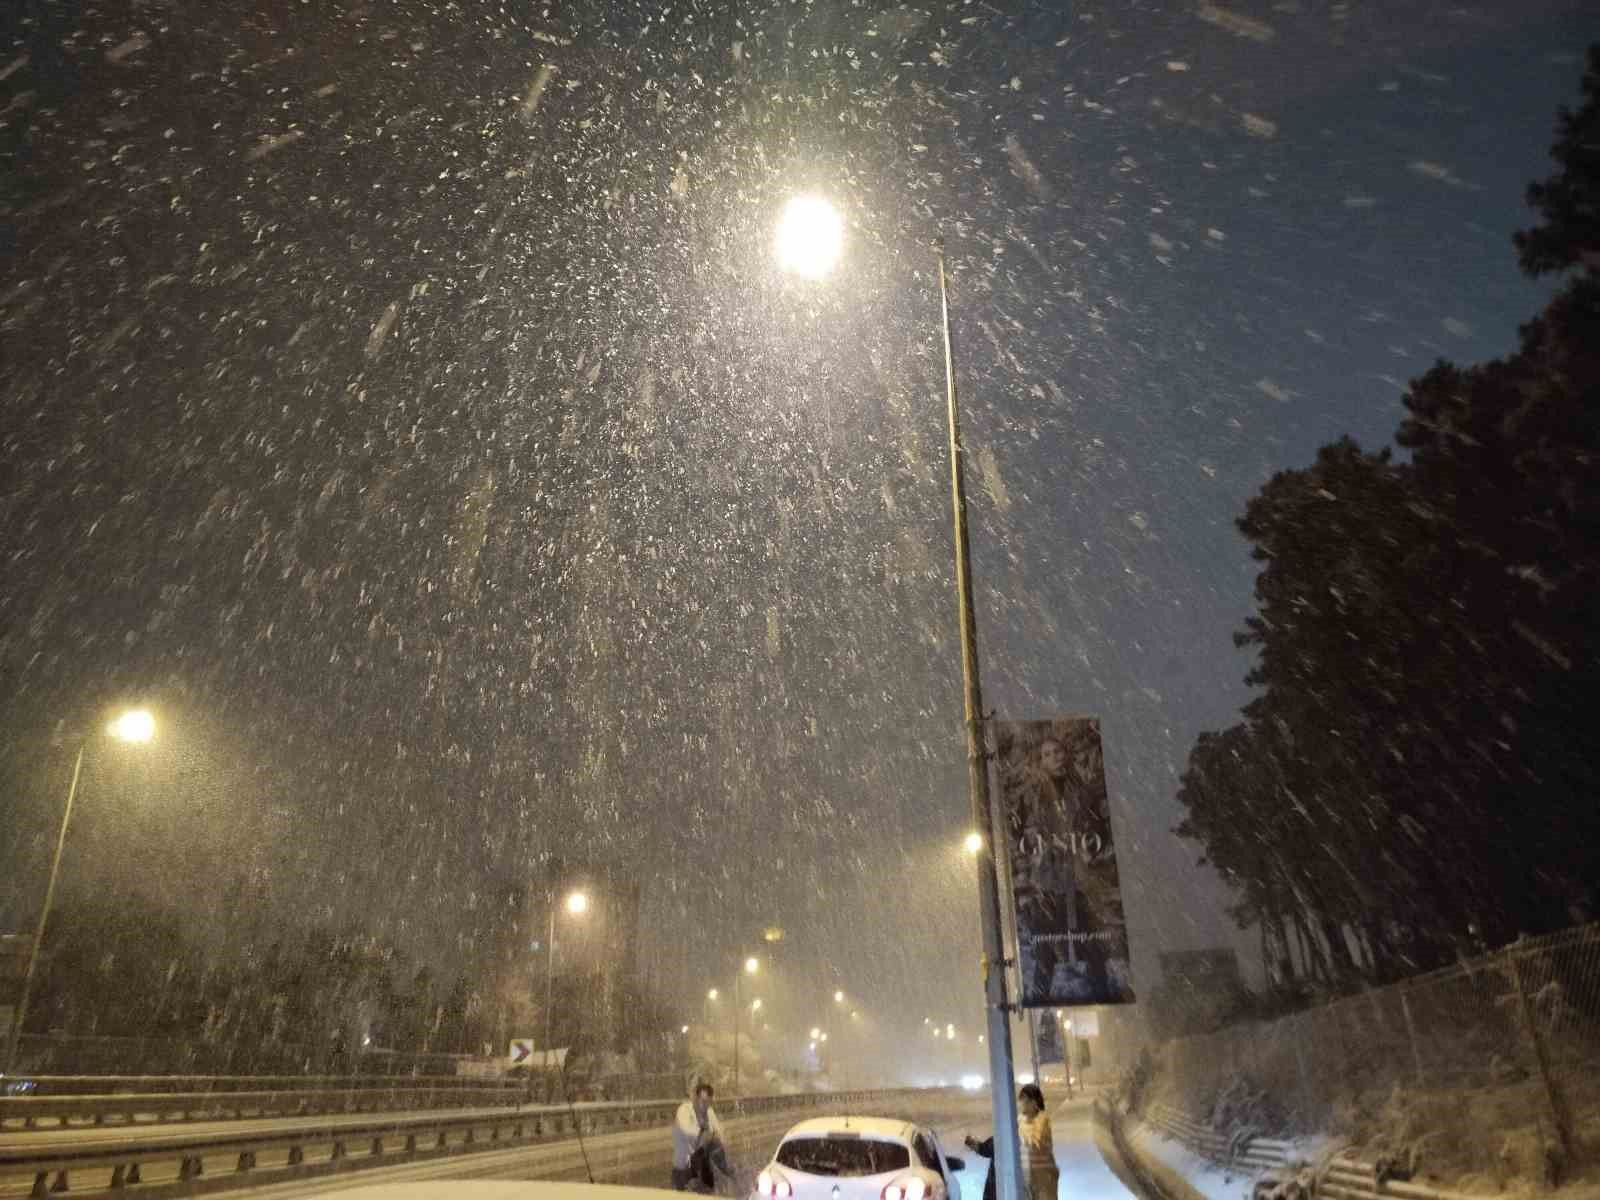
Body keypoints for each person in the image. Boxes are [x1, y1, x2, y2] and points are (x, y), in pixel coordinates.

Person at [672, 1081, 734, 1192]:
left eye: (708, 1102)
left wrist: (716, 1136)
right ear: (696, 1098)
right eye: (703, 1101)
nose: (704, 1106)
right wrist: (705, 1133)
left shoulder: (709, 1112)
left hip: (702, 1165)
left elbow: (719, 1133)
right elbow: (687, 1131)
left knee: (708, 1189)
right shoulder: (684, 1110)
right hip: (683, 1168)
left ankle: (726, 1171)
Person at [1018, 1084, 1058, 1200]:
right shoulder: (1019, 1119)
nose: (1023, 1104)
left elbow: (1035, 1141)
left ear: (1035, 1102)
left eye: (1027, 1100)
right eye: (1022, 1100)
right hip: (1026, 1174)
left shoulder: (1042, 1119)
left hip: (1044, 1176)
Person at [961, 1133, 997, 1200]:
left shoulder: (999, 1139)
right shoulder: (1000, 1140)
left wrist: (972, 1143)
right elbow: (984, 1149)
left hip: (994, 1187)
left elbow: (983, 1149)